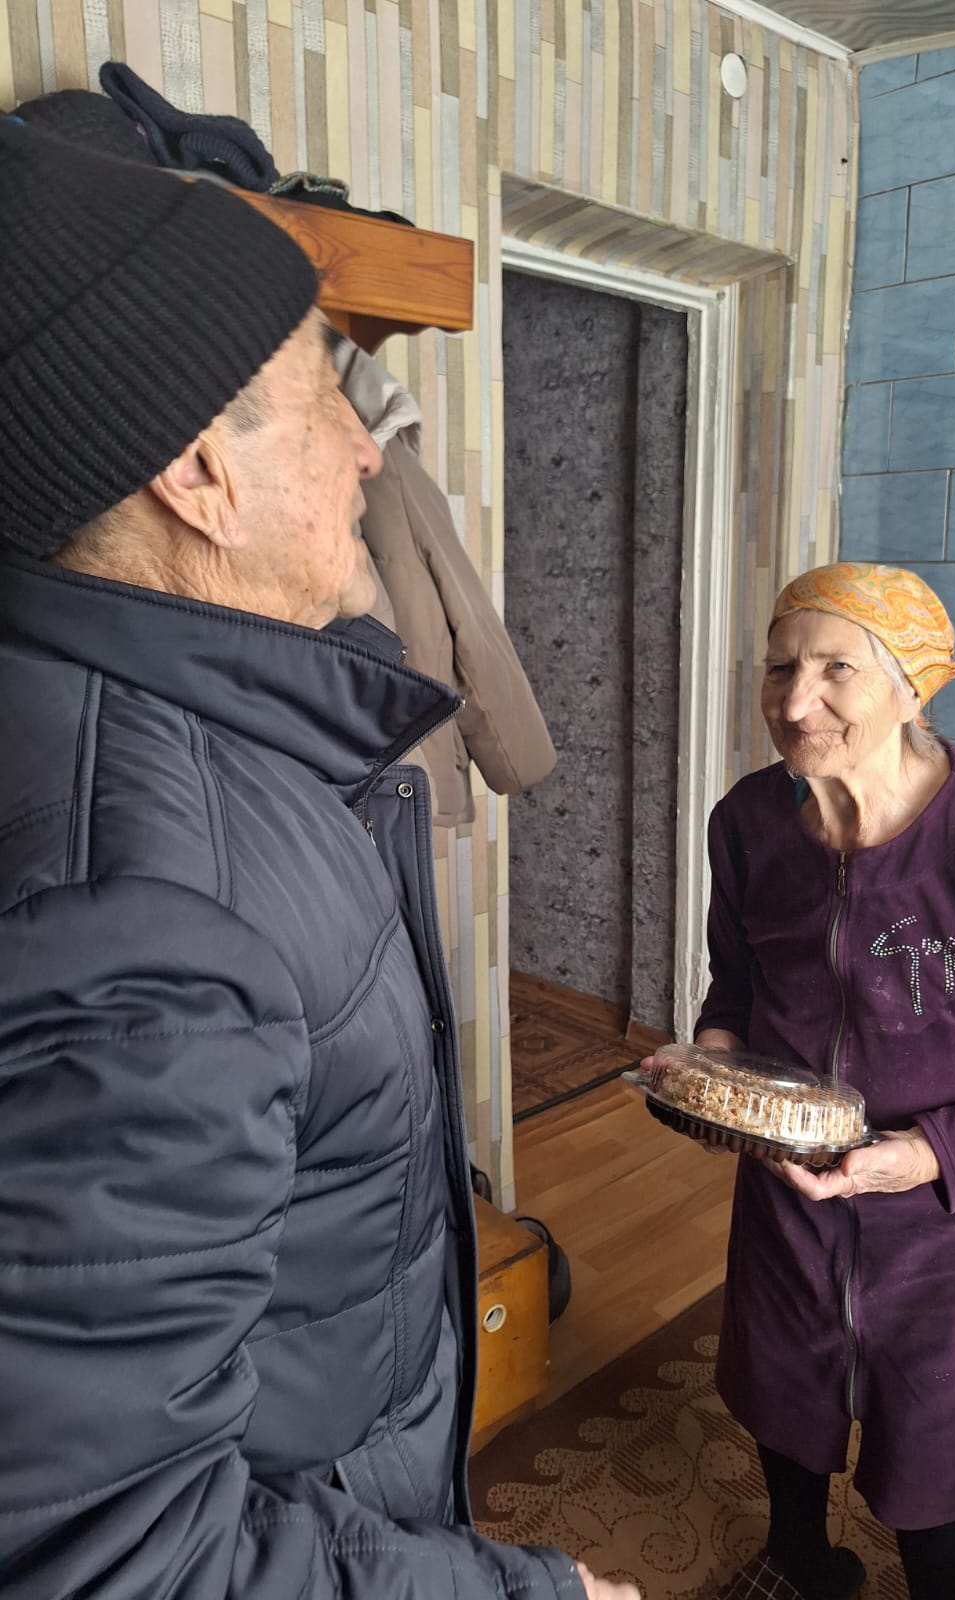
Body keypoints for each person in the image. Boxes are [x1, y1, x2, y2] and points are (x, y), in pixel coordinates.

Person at [0, 120, 637, 1600]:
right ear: (198, 476)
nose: (368, 445)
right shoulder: (145, 928)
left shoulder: (183, 715)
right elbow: (123, 1557)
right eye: (320, 399)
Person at [684, 563, 955, 1600]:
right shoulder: (747, 824)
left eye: (835, 669)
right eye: (779, 668)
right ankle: (799, 1565)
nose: (796, 702)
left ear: (912, 687)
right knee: (784, 1401)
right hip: (790, 1194)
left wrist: (922, 1157)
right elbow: (737, 985)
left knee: (938, 1461)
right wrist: (713, 1062)